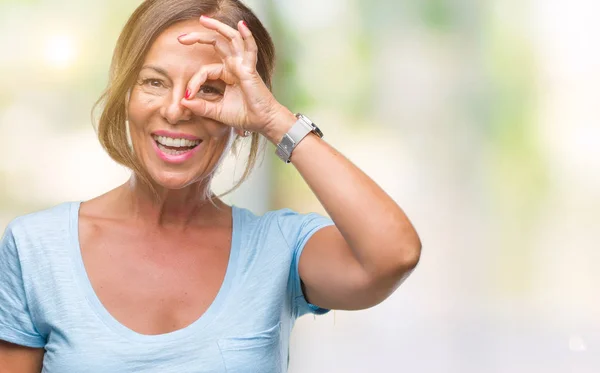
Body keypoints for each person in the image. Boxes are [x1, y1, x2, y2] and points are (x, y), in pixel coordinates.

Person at [0, 0, 421, 371]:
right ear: (125, 95)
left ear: (244, 116)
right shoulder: (36, 247)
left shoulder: (278, 248)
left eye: (210, 89)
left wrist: (275, 121)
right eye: (153, 82)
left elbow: (395, 255)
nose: (176, 110)